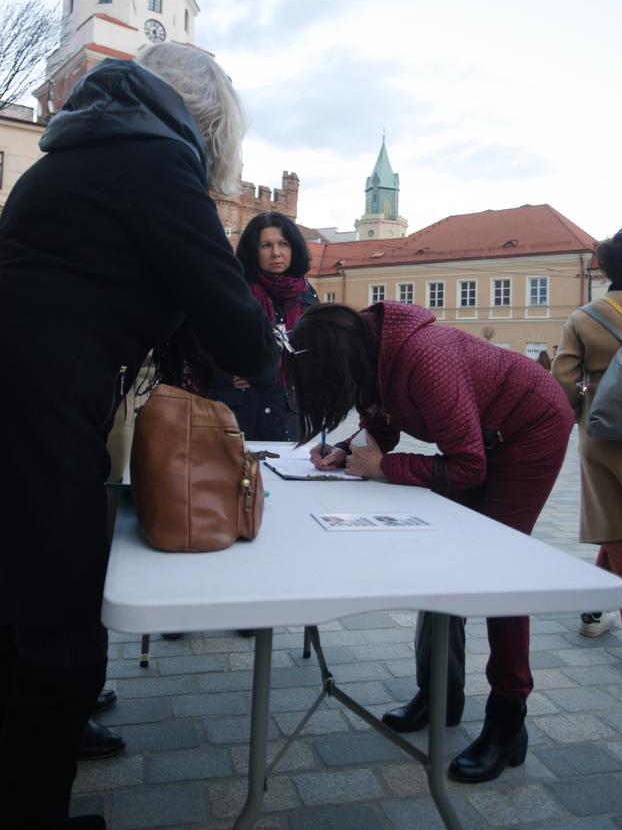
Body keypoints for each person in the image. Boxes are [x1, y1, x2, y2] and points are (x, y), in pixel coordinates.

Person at [0, 42, 278, 829]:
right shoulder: (156, 161)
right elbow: (238, 331)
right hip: (44, 409)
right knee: (63, 637)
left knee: (16, 615)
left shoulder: (71, 156)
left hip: (23, 399)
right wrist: (263, 341)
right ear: (206, 121)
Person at [285, 301, 574, 783]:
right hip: (485, 436)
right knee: (447, 559)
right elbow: (382, 417)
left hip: (530, 430)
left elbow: (467, 467)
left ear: (342, 362)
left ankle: (508, 723)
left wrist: (384, 467)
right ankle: (440, 695)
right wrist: (347, 447)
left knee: (498, 573)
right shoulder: (372, 352)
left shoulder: (425, 357)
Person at [552, 226, 622, 675]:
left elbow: (563, 384)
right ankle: (598, 610)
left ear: (603, 267)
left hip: (604, 434)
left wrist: (572, 413)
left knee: (617, 527)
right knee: (620, 524)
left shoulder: (583, 318)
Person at [210, 210, 318, 441]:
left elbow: (316, 355)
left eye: (283, 244)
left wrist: (273, 368)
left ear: (294, 248)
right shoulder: (235, 291)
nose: (276, 253)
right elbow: (212, 347)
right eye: (266, 245)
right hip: (238, 410)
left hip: (288, 414)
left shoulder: (306, 296)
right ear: (253, 250)